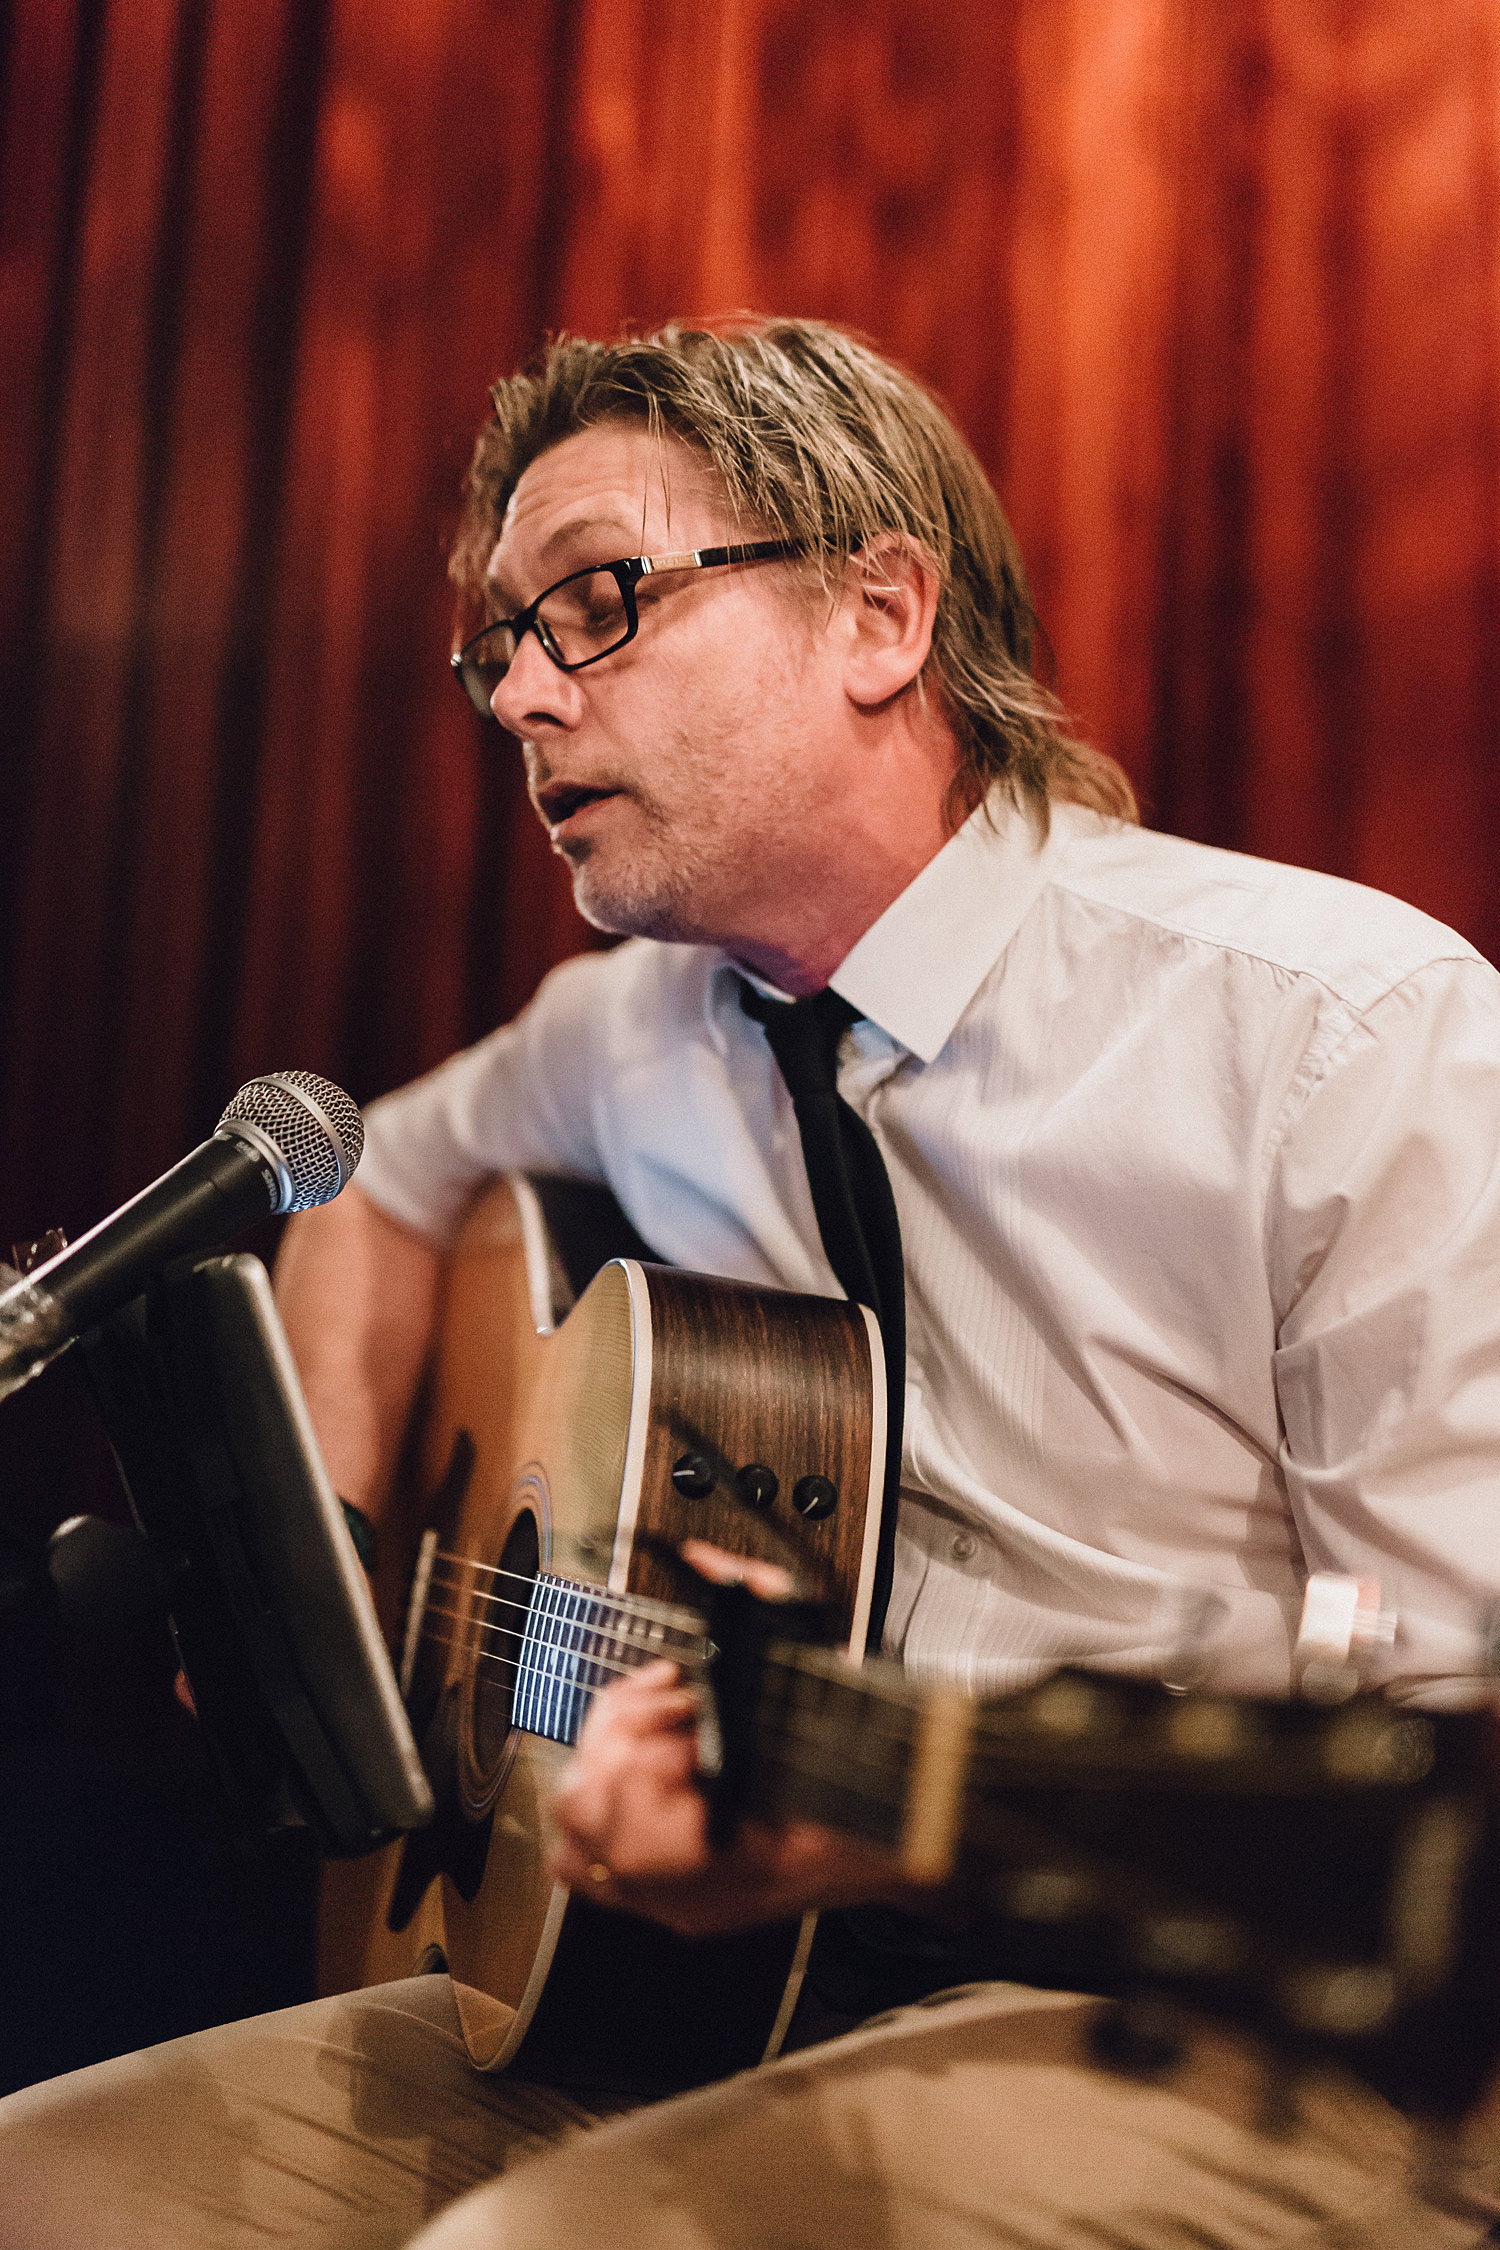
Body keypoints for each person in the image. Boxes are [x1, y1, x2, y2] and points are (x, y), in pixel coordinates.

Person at [2, 317, 1500, 2249]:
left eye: (598, 604)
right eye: (498, 645)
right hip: (717, 1980)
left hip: (1244, 1992)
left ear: (880, 611)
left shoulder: (1346, 1039)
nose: (522, 695)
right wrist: (352, 1593)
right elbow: (372, 1177)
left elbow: (1460, 1706)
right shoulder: (630, 1029)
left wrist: (880, 1810)